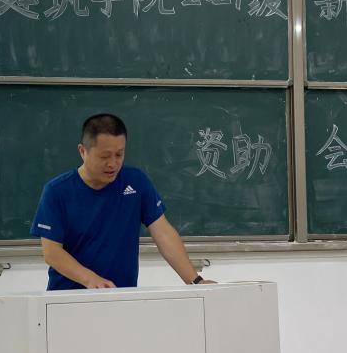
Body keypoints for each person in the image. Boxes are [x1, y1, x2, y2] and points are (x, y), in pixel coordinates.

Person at [30, 112, 213, 290]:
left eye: (119, 154)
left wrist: (196, 281)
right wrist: (90, 280)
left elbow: (163, 234)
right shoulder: (57, 191)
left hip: (122, 296)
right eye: (104, 156)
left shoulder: (136, 182)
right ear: (83, 151)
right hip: (67, 300)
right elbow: (52, 252)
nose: (113, 163)